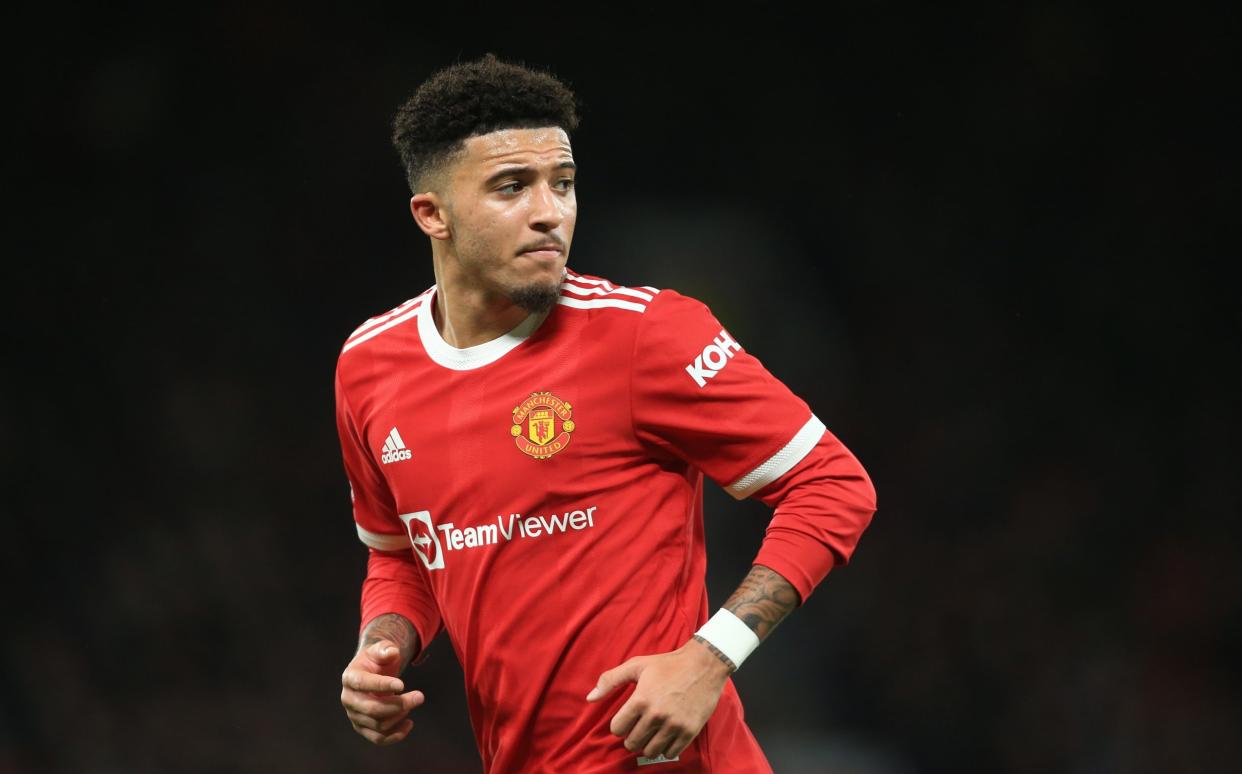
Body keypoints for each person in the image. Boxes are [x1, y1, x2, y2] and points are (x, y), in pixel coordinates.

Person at [334, 54, 877, 773]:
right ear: (433, 214)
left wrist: (711, 657)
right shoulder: (369, 367)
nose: (549, 212)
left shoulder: (644, 335)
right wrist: (384, 646)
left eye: (563, 184)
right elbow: (399, 553)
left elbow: (833, 485)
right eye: (511, 188)